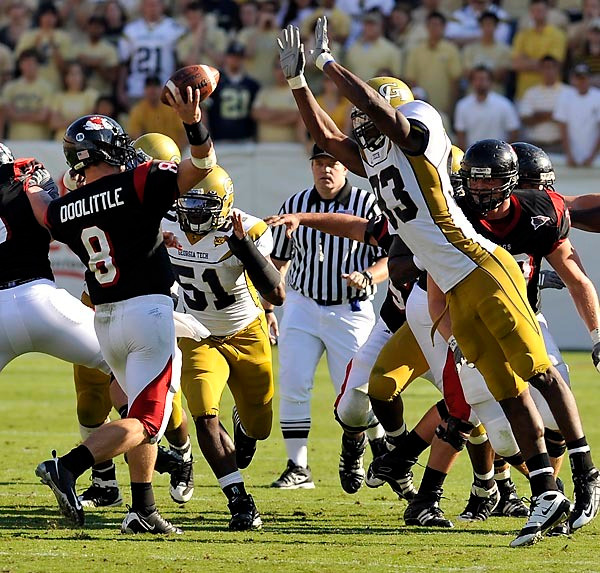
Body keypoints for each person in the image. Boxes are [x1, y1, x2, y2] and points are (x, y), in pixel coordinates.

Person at [276, 17, 599, 546]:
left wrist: (329, 64)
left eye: (368, 113)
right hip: (450, 285)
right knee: (503, 389)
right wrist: (298, 85)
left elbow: (386, 118)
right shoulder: (378, 156)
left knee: (537, 373)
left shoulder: (418, 132)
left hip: (480, 269)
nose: (362, 122)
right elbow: (329, 140)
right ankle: (545, 491)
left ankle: (586, 474)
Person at [24, 83, 216, 534]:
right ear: (108, 149)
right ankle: (68, 466)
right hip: (147, 314)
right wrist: (192, 121)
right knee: (150, 421)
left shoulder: (66, 208)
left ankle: (143, 509)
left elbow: (42, 212)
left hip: (105, 319)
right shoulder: (139, 180)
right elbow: (202, 167)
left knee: (134, 411)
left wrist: (31, 181)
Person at [163, 165, 284, 529]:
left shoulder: (249, 230)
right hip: (197, 333)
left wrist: (243, 246)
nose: (193, 214)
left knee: (260, 426)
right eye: (189, 205)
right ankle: (239, 501)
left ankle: (244, 429)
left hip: (246, 333)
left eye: (204, 206)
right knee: (203, 414)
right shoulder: (165, 221)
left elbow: (275, 292)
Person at [268, 144, 388, 489]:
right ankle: (297, 466)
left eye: (332, 163)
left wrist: (367, 275)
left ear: (346, 167)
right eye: (319, 163)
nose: (326, 170)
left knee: (357, 390)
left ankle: (378, 450)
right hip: (302, 303)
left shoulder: (367, 204)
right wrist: (267, 306)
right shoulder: (295, 204)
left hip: (350, 307)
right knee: (293, 383)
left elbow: (390, 256)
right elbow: (279, 261)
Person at [117, 0, 184, 108]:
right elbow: (124, 63)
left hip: (165, 88)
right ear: (142, 6)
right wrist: (120, 89)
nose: (152, 8)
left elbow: (180, 62)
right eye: (148, 4)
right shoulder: (131, 30)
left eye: (155, 4)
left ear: (162, 6)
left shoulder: (175, 29)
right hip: (137, 88)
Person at [454, 65, 520, 150]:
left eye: (484, 79)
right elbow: (460, 134)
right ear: (472, 82)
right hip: (473, 155)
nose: (480, 82)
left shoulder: (504, 104)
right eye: (477, 79)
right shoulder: (462, 105)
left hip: (498, 155)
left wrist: (505, 152)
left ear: (491, 82)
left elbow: (514, 131)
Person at [205, 42, 261, 142]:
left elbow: (255, 114)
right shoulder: (214, 82)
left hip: (245, 138)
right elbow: (205, 111)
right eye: (232, 56)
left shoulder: (252, 85)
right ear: (226, 57)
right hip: (219, 138)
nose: (235, 60)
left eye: (239, 56)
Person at [553, 63, 600, 166]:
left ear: (590, 79)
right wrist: (569, 155)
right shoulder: (565, 96)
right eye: (579, 78)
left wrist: (592, 157)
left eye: (584, 78)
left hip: (596, 158)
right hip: (571, 156)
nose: (582, 81)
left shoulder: (598, 96)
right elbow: (562, 127)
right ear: (573, 79)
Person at [519, 55, 566, 150]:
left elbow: (569, 120)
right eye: (545, 68)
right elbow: (526, 120)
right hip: (535, 145)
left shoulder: (568, 92)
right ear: (540, 70)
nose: (549, 71)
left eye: (552, 67)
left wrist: (538, 115)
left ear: (558, 69)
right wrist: (554, 115)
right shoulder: (530, 92)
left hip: (559, 145)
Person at [127, 75, 187, 150]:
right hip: (150, 152)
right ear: (144, 90)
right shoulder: (138, 110)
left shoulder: (172, 106)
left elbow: (184, 133)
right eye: (149, 87)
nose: (152, 90)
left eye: (155, 86)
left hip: (175, 148)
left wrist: (177, 151)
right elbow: (135, 136)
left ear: (161, 89)